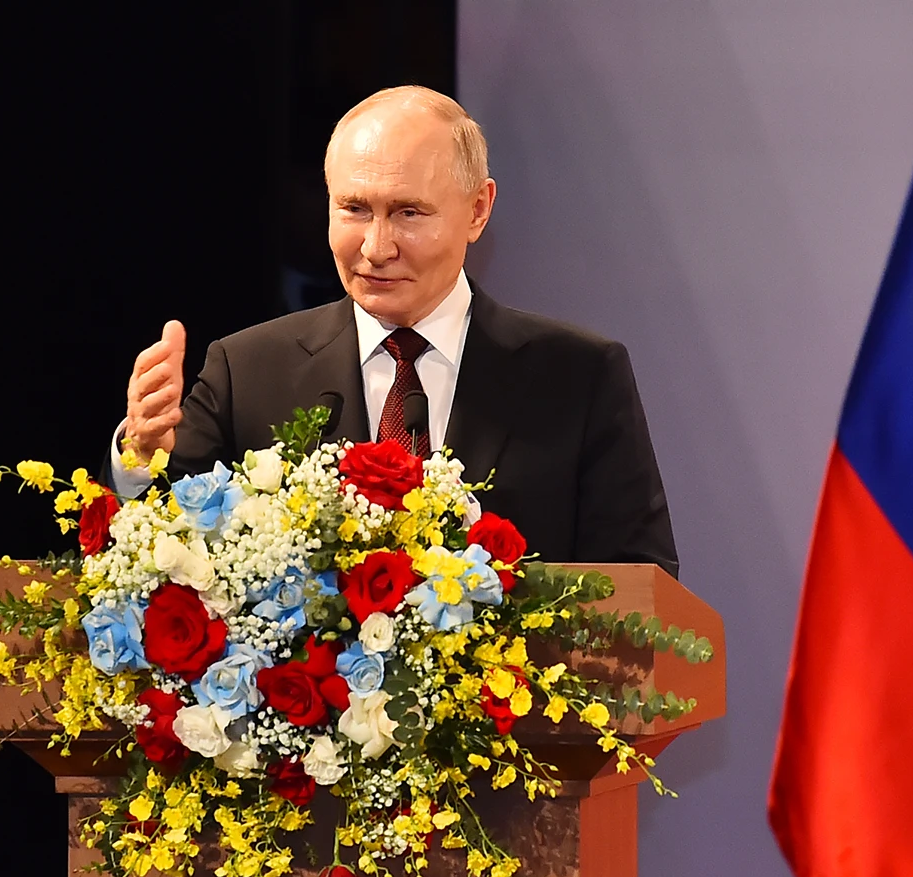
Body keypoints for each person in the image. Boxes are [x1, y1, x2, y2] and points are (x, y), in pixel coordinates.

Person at [108, 86, 678, 576]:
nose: (376, 248)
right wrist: (138, 462)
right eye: (354, 209)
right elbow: (152, 570)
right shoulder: (249, 371)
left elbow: (638, 593)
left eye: (408, 213)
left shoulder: (577, 377)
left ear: (478, 210)